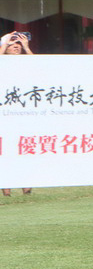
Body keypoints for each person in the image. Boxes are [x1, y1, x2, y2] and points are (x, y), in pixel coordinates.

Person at [2, 30, 35, 196]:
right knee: (5, 153)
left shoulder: (24, 65)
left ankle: (26, 188)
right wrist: (3, 44)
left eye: (18, 47)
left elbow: (40, 66)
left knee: (23, 150)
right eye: (12, 46)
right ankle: (6, 190)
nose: (16, 49)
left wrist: (26, 47)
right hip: (4, 114)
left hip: (22, 115)